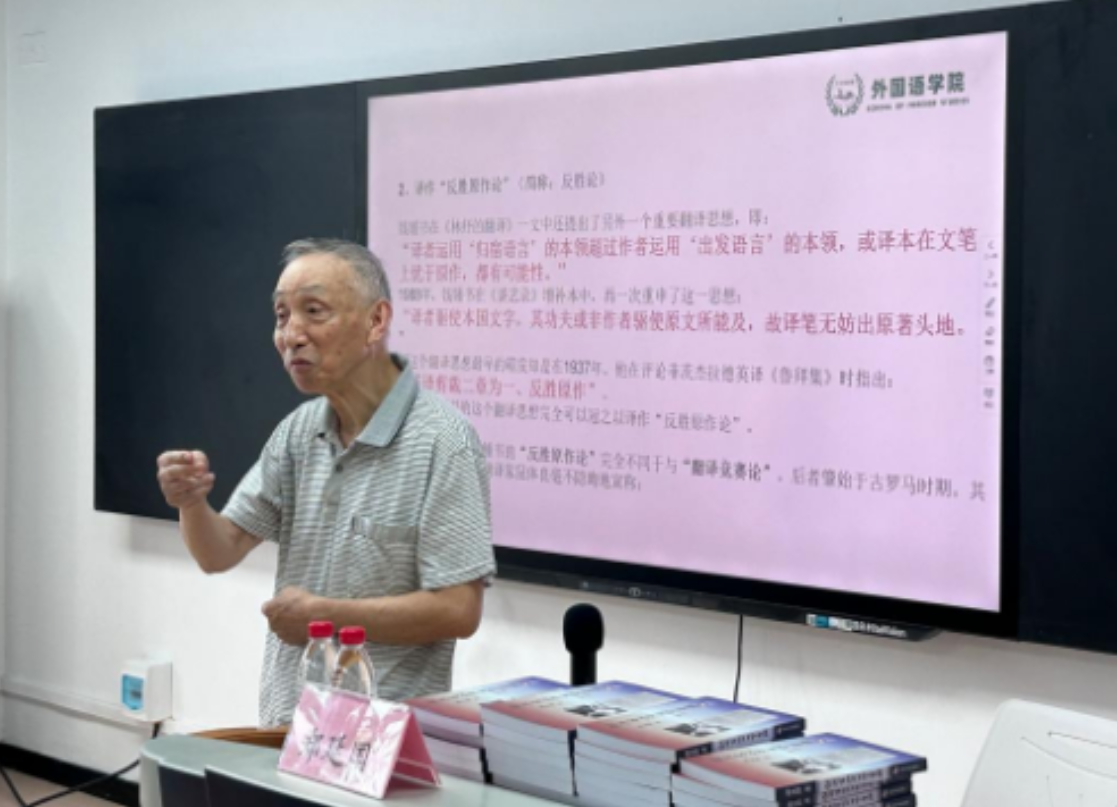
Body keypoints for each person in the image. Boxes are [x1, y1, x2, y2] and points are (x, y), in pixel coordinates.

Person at [156, 238, 496, 726]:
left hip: (382, 738)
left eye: (313, 311)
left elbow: (459, 610)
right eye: (281, 315)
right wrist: (190, 504)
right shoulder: (298, 432)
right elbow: (219, 552)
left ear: (376, 321)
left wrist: (325, 617)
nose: (291, 335)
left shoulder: (443, 441)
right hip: (288, 727)